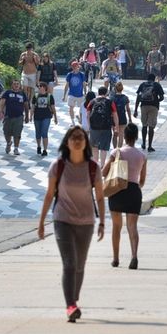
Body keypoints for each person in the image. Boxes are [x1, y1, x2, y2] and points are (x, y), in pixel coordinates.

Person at [37, 125, 106, 323]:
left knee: (80, 265)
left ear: (85, 143)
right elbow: (50, 194)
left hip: (86, 221)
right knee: (69, 263)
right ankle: (70, 305)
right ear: (67, 142)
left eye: (80, 137)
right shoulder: (58, 166)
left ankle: (73, 299)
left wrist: (102, 221)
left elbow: (100, 197)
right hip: (62, 219)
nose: (77, 140)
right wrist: (41, 222)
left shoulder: (93, 167)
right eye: (73, 137)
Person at [102, 123, 147, 270]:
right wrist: (135, 186)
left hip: (118, 190)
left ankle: (115, 259)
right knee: (132, 226)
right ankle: (134, 256)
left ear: (125, 136)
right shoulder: (142, 156)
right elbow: (142, 181)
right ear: (136, 137)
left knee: (116, 226)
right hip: (134, 191)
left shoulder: (117, 152)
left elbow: (103, 172)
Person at [86, 86, 119, 166]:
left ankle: (95, 164)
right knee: (103, 148)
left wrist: (90, 126)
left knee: (94, 147)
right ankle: (102, 165)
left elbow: (88, 115)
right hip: (106, 127)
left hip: (94, 127)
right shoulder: (110, 101)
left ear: (98, 92)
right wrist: (116, 127)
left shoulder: (92, 101)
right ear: (106, 93)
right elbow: (115, 115)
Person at [134, 73, 165, 152]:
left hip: (143, 106)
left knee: (144, 125)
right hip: (154, 107)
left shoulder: (142, 85)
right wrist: (156, 101)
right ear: (154, 79)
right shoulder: (157, 85)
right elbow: (162, 97)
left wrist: (135, 109)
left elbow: (138, 97)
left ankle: (143, 143)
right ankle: (150, 146)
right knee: (151, 126)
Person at [0, 79, 30, 155]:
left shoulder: (22, 94)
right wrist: (0, 111)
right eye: (14, 84)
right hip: (8, 116)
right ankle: (9, 143)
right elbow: (2, 102)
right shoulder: (7, 93)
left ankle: (16, 148)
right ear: (12, 85)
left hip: (19, 117)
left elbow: (26, 105)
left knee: (17, 134)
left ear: (20, 85)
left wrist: (27, 116)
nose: (16, 85)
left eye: (17, 84)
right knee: (6, 132)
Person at [33, 82, 57, 156]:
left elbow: (53, 107)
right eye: (39, 86)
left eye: (40, 86)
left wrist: (55, 117)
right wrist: (30, 116)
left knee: (44, 132)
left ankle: (45, 150)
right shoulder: (36, 96)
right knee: (38, 132)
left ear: (44, 87)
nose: (39, 88)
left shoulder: (49, 96)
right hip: (37, 116)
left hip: (46, 116)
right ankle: (39, 146)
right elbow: (33, 106)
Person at [18, 43, 41, 113]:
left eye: (30, 49)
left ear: (32, 49)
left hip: (33, 74)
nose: (28, 50)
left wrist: (35, 59)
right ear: (26, 49)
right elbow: (19, 63)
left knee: (31, 89)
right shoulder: (23, 54)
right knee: (24, 87)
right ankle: (25, 100)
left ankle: (29, 102)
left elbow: (38, 63)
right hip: (25, 73)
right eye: (27, 49)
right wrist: (23, 60)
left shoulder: (35, 55)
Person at [63, 61, 86, 126]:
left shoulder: (82, 75)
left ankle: (79, 118)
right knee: (71, 108)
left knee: (81, 108)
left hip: (80, 94)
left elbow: (84, 84)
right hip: (71, 94)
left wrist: (85, 92)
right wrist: (64, 95)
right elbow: (67, 85)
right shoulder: (69, 75)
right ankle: (73, 122)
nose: (75, 68)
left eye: (76, 66)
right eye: (73, 66)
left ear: (78, 67)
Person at [111, 81, 132, 149]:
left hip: (114, 118)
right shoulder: (125, 98)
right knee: (121, 135)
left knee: (115, 134)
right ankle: (119, 150)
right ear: (122, 89)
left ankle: (114, 149)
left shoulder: (112, 98)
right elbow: (128, 109)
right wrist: (130, 118)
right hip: (123, 117)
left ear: (115, 89)